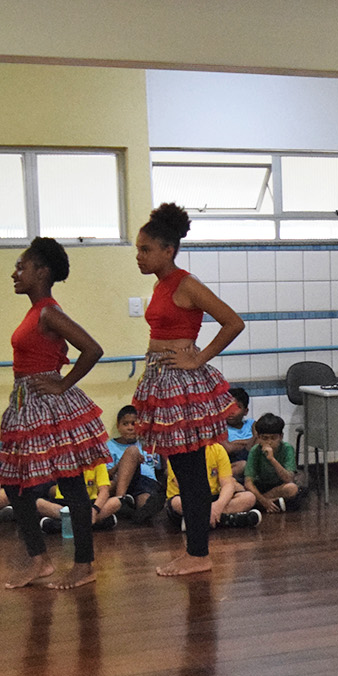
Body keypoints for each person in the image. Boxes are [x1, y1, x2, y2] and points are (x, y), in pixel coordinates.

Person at [132, 202, 246, 575]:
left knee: (192, 471)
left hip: (182, 384)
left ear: (169, 250)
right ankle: (193, 550)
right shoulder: (162, 285)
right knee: (184, 470)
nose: (139, 256)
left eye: (146, 249)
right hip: (162, 380)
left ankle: (199, 554)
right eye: (138, 249)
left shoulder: (186, 283)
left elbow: (232, 322)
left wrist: (198, 359)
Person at [0, 236, 109, 591]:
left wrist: (62, 385)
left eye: (22, 266)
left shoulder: (48, 311)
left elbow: (92, 349)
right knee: (15, 487)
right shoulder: (36, 312)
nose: (15, 273)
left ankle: (84, 564)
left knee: (72, 485)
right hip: (26, 404)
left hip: (48, 405)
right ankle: (40, 561)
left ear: (41, 271)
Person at [164, 440, 259, 530]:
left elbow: (227, 484)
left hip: (214, 497)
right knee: (177, 503)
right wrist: (208, 508)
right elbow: (185, 487)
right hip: (190, 498)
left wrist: (218, 506)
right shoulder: (177, 454)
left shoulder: (217, 449)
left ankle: (199, 521)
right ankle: (229, 519)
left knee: (249, 497)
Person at [106, 405, 163, 525]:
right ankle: (121, 500)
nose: (130, 428)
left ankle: (139, 513)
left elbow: (161, 465)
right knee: (132, 451)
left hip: (146, 483)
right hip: (122, 483)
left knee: (145, 502)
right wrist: (124, 462)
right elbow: (107, 475)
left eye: (134, 424)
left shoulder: (147, 443)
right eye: (125, 424)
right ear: (118, 426)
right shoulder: (110, 446)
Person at [242, 412, 300, 512]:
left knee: (292, 488)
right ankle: (268, 503)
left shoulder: (287, 449)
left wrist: (272, 459)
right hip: (260, 486)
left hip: (279, 486)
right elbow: (248, 483)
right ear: (258, 437)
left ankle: (257, 504)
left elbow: (288, 479)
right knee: (244, 491)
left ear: (281, 437)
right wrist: (264, 501)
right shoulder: (255, 450)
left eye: (273, 438)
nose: (269, 442)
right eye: (265, 438)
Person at [38, 460, 117, 532]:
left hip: (91, 504)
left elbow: (104, 491)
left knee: (115, 502)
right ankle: (93, 524)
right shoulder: (63, 460)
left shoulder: (98, 461)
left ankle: (63, 524)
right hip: (65, 505)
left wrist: (95, 510)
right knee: (39, 503)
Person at [223, 385, 254, 479]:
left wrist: (234, 443)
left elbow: (259, 444)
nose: (231, 411)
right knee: (243, 465)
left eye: (237, 407)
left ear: (246, 411)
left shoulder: (252, 424)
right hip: (232, 463)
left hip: (253, 461)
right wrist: (249, 441)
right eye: (227, 406)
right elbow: (229, 449)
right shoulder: (220, 428)